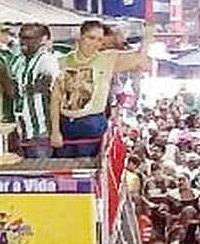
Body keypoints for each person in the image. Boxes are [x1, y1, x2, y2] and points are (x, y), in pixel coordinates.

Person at [49, 20, 151, 157]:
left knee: (85, 168)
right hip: (66, 122)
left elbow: (139, 59)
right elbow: (55, 98)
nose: (95, 43)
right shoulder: (62, 62)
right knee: (62, 168)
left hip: (92, 122)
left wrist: (148, 36)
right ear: (80, 37)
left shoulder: (107, 58)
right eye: (91, 38)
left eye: (99, 40)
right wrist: (55, 130)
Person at [10, 23, 61, 158]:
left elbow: (49, 90)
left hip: (41, 131)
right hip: (21, 130)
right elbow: (14, 90)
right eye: (21, 37)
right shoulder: (18, 61)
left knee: (40, 173)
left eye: (29, 38)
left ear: (43, 40)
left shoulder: (47, 60)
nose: (23, 41)